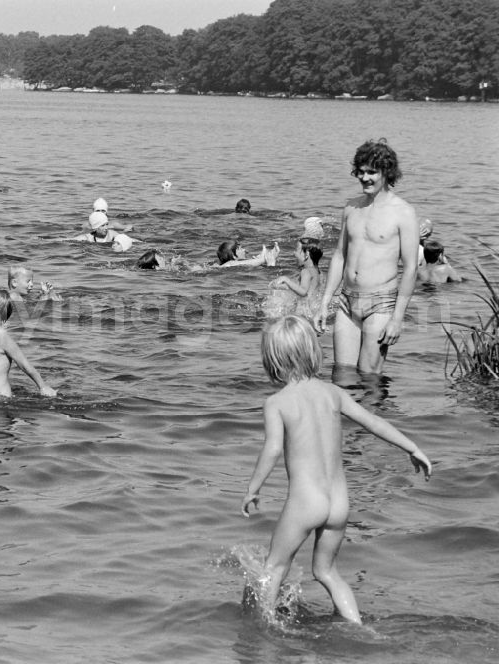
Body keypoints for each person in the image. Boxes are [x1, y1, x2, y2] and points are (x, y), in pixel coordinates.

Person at [240, 315, 431, 624]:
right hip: (339, 503)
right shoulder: (333, 393)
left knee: (273, 569)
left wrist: (253, 488)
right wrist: (412, 447)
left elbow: (273, 449)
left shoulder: (277, 402)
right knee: (326, 571)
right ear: (312, 351)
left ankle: (264, 636)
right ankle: (357, 628)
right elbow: (374, 423)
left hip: (306, 502)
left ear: (272, 360)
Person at [313, 139, 419, 375]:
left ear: (386, 173)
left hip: (381, 304)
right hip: (346, 302)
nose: (364, 178)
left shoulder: (403, 212)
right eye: (360, 172)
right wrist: (324, 303)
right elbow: (339, 256)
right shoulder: (351, 208)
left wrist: (397, 319)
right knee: (341, 375)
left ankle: (375, 412)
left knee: (369, 377)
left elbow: (411, 268)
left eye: (372, 172)